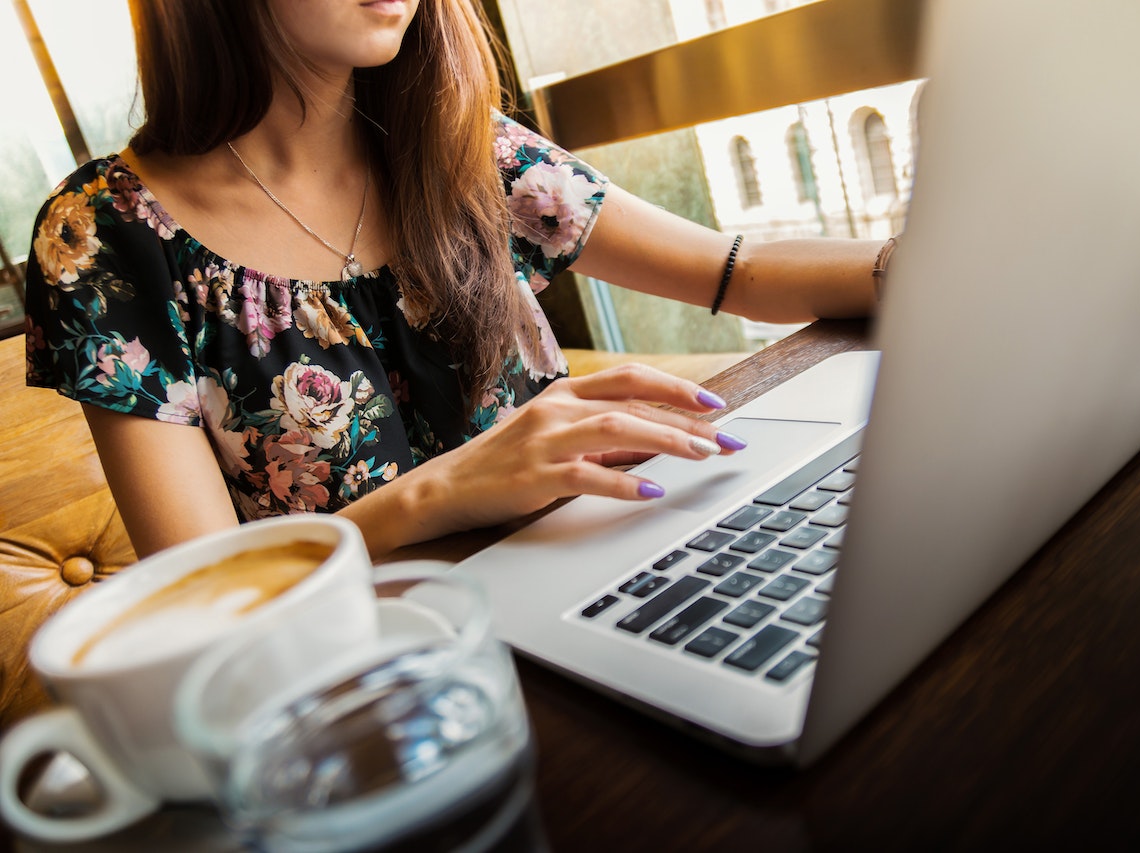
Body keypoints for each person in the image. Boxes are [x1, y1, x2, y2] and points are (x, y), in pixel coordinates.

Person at [24, 0, 887, 562]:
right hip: (376, 679)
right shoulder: (105, 235)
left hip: (596, 569)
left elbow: (733, 271)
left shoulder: (458, 142)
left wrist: (920, 264)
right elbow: (204, 592)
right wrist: (443, 491)